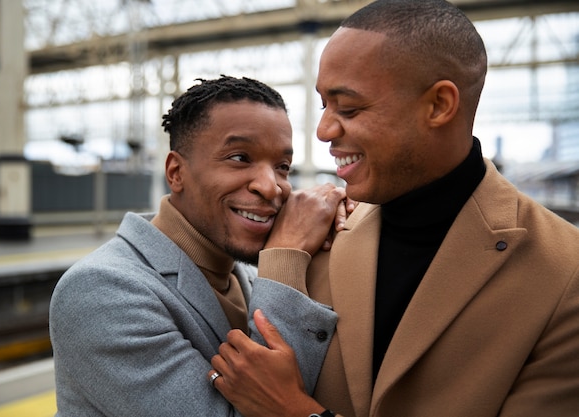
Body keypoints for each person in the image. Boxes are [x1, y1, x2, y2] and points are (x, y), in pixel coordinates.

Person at [209, 1, 579, 416]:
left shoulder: (566, 272)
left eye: (348, 108)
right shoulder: (316, 236)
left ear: (439, 105)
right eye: (324, 105)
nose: (325, 129)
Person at [49, 75, 347, 417]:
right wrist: (286, 255)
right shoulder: (99, 291)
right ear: (176, 173)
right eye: (239, 157)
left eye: (282, 167)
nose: (272, 187)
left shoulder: (243, 276)